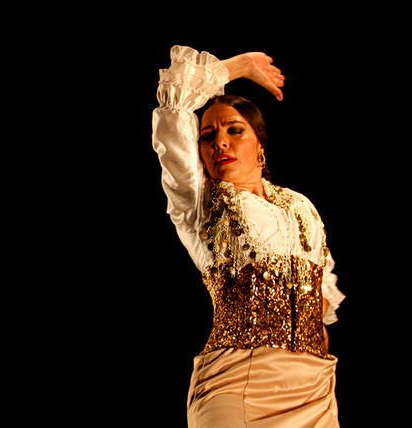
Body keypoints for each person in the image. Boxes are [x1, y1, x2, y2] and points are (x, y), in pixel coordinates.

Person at [152, 45, 346, 427]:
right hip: (236, 380)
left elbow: (323, 284)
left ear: (260, 143)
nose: (219, 142)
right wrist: (238, 67)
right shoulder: (199, 203)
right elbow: (174, 108)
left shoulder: (301, 205)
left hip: (313, 388)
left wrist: (314, 324)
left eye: (234, 130)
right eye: (207, 136)